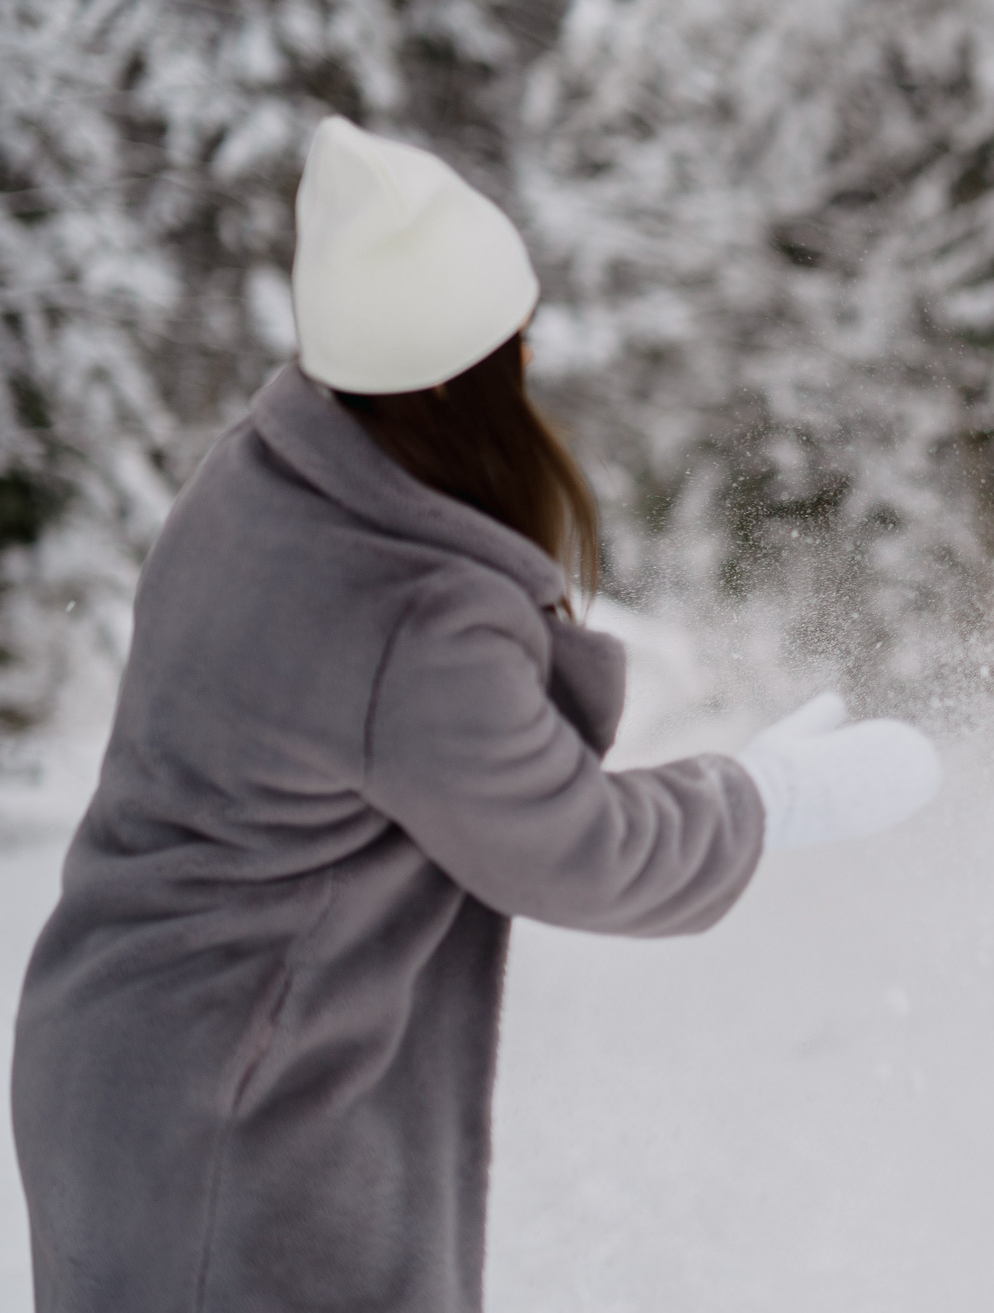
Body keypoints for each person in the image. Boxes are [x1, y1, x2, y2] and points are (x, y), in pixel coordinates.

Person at [11, 118, 938, 1312]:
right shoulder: (409, 616)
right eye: (513, 340)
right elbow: (580, 851)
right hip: (240, 1122)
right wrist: (768, 797)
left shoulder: (261, 478)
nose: (533, 357)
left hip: (120, 1061)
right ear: (452, 377)